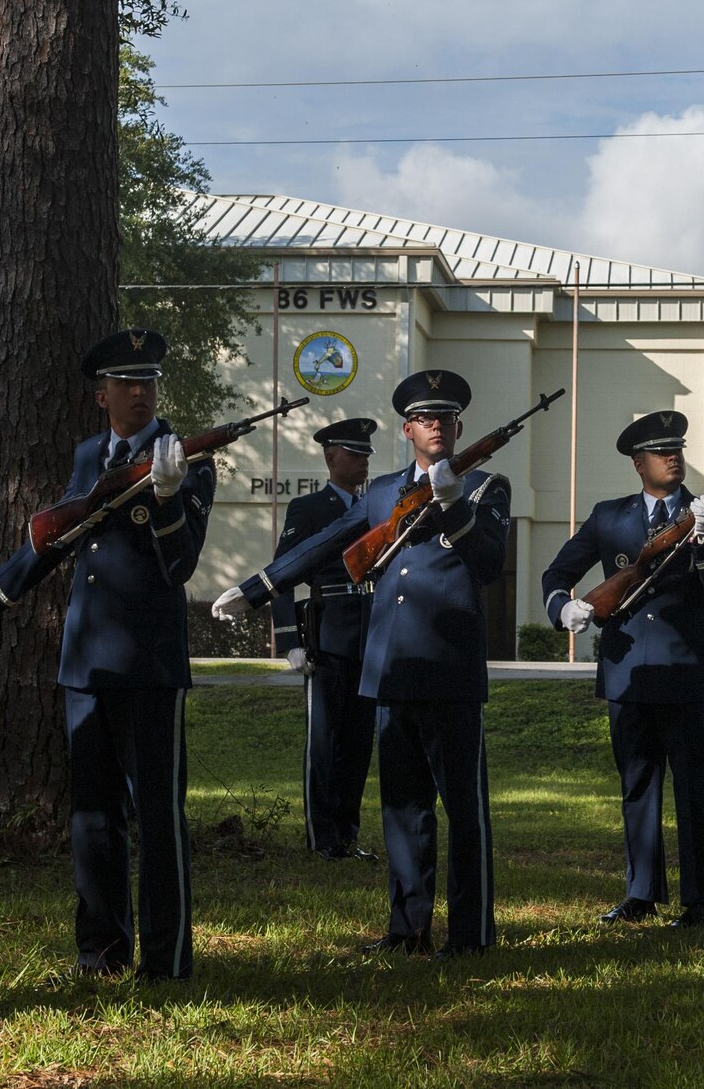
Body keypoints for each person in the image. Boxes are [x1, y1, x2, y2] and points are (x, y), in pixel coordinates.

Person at [214, 369, 508, 958]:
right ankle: (408, 929)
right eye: (425, 419)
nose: (436, 427)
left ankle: (472, 935)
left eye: (445, 418)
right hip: (391, 667)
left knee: (465, 812)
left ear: (458, 427)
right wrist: (259, 585)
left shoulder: (483, 487)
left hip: (449, 669)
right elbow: (325, 544)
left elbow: (489, 563)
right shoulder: (381, 494)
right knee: (402, 810)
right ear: (408, 429)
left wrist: (454, 507)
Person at [0, 327, 214, 980]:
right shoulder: (90, 454)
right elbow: (66, 534)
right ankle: (100, 951)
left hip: (150, 661)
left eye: (148, 381)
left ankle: (168, 957)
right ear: (101, 394)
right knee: (93, 817)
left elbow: (179, 566)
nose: (139, 392)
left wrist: (168, 497)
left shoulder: (187, 458)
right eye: (126, 382)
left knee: (157, 815)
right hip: (87, 659)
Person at [542, 410, 704, 927]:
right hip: (628, 667)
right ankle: (641, 892)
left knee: (695, 785)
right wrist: (563, 606)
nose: (672, 456)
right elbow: (558, 572)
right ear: (638, 463)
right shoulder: (610, 516)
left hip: (689, 668)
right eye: (659, 450)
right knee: (637, 784)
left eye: (676, 447)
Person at [271, 417, 382, 861]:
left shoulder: (376, 506)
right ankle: (323, 836)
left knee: (358, 742)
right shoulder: (308, 510)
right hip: (328, 636)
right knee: (325, 743)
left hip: (369, 636)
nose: (362, 464)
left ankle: (348, 834)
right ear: (330, 456)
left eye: (366, 456)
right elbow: (281, 575)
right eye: (354, 455)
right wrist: (289, 641)